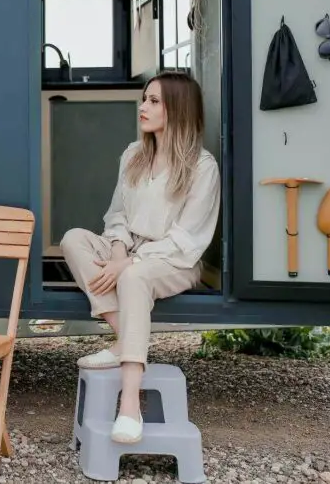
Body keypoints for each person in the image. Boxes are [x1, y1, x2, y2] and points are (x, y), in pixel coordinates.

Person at [60, 71, 221, 444]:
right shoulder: (133, 155)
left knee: (133, 278)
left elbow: (187, 238)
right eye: (144, 99)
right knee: (73, 240)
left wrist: (128, 264)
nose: (142, 107)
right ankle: (123, 340)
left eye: (153, 101)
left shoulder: (202, 166)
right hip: (128, 250)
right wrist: (118, 251)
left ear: (177, 109)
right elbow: (116, 214)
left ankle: (130, 403)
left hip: (173, 259)